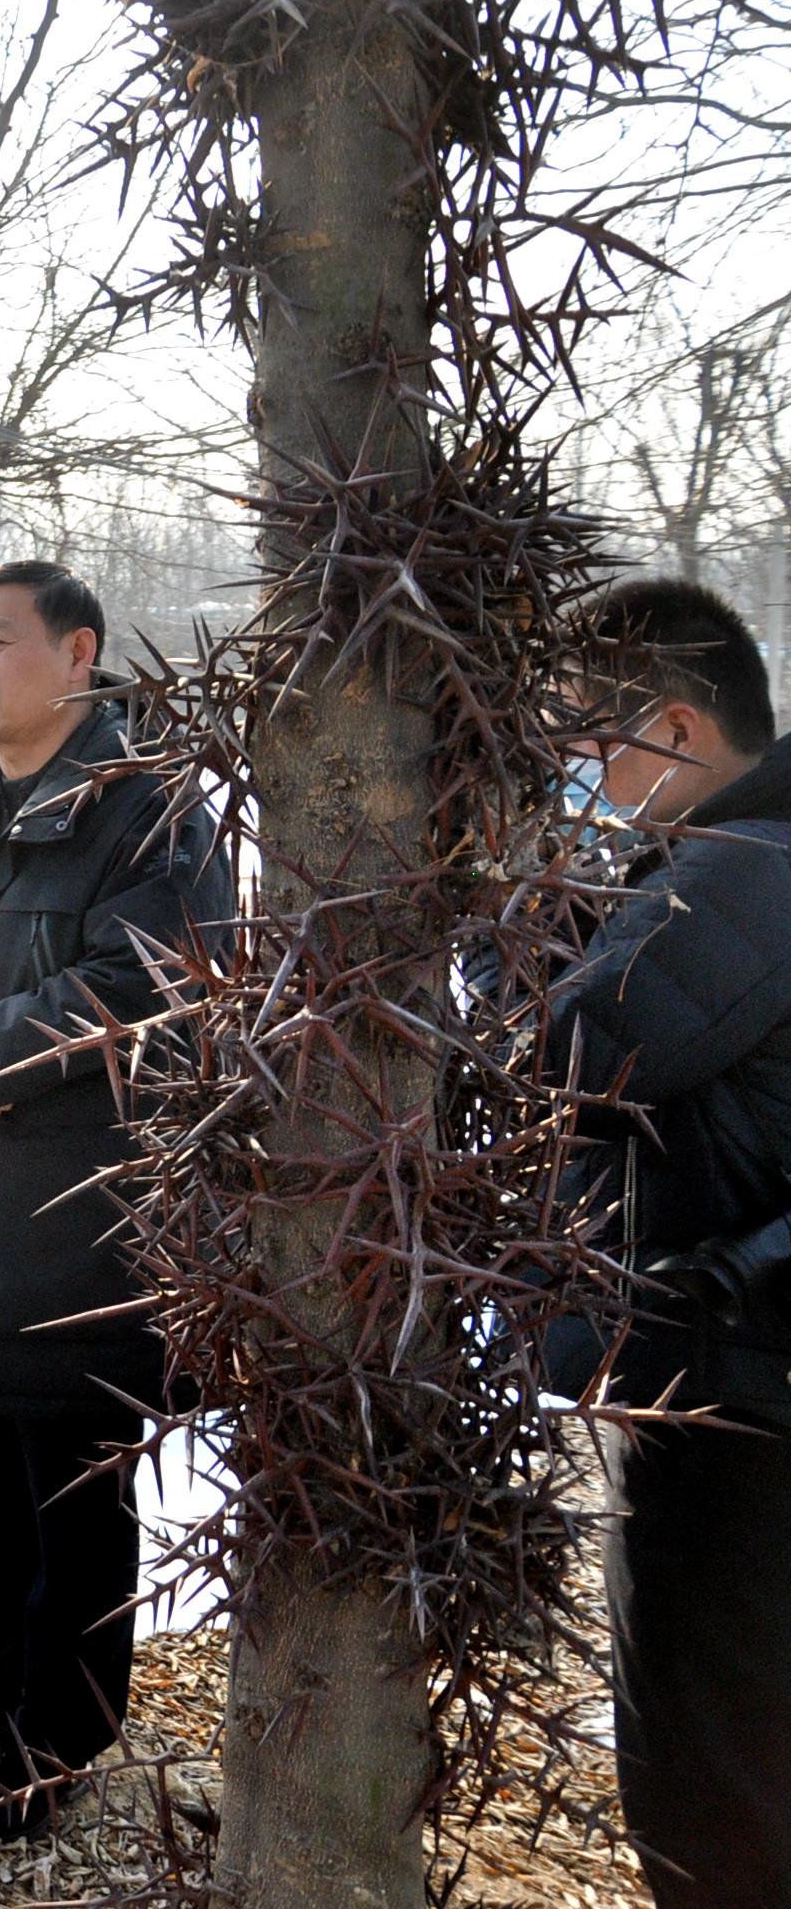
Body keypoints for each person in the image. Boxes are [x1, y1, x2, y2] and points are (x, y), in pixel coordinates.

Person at [0, 561, 215, 1847]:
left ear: (79, 655)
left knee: (73, 1487)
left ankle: (61, 1734)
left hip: (86, 1219)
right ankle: (5, 1683)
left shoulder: (148, 812)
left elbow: (133, 988)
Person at [546, 577, 791, 1908]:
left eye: (588, 743)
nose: (578, 776)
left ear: (680, 731)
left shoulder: (740, 873)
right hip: (739, 1359)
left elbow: (573, 1055)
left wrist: (508, 916)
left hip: (729, 1387)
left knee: (708, 1775)